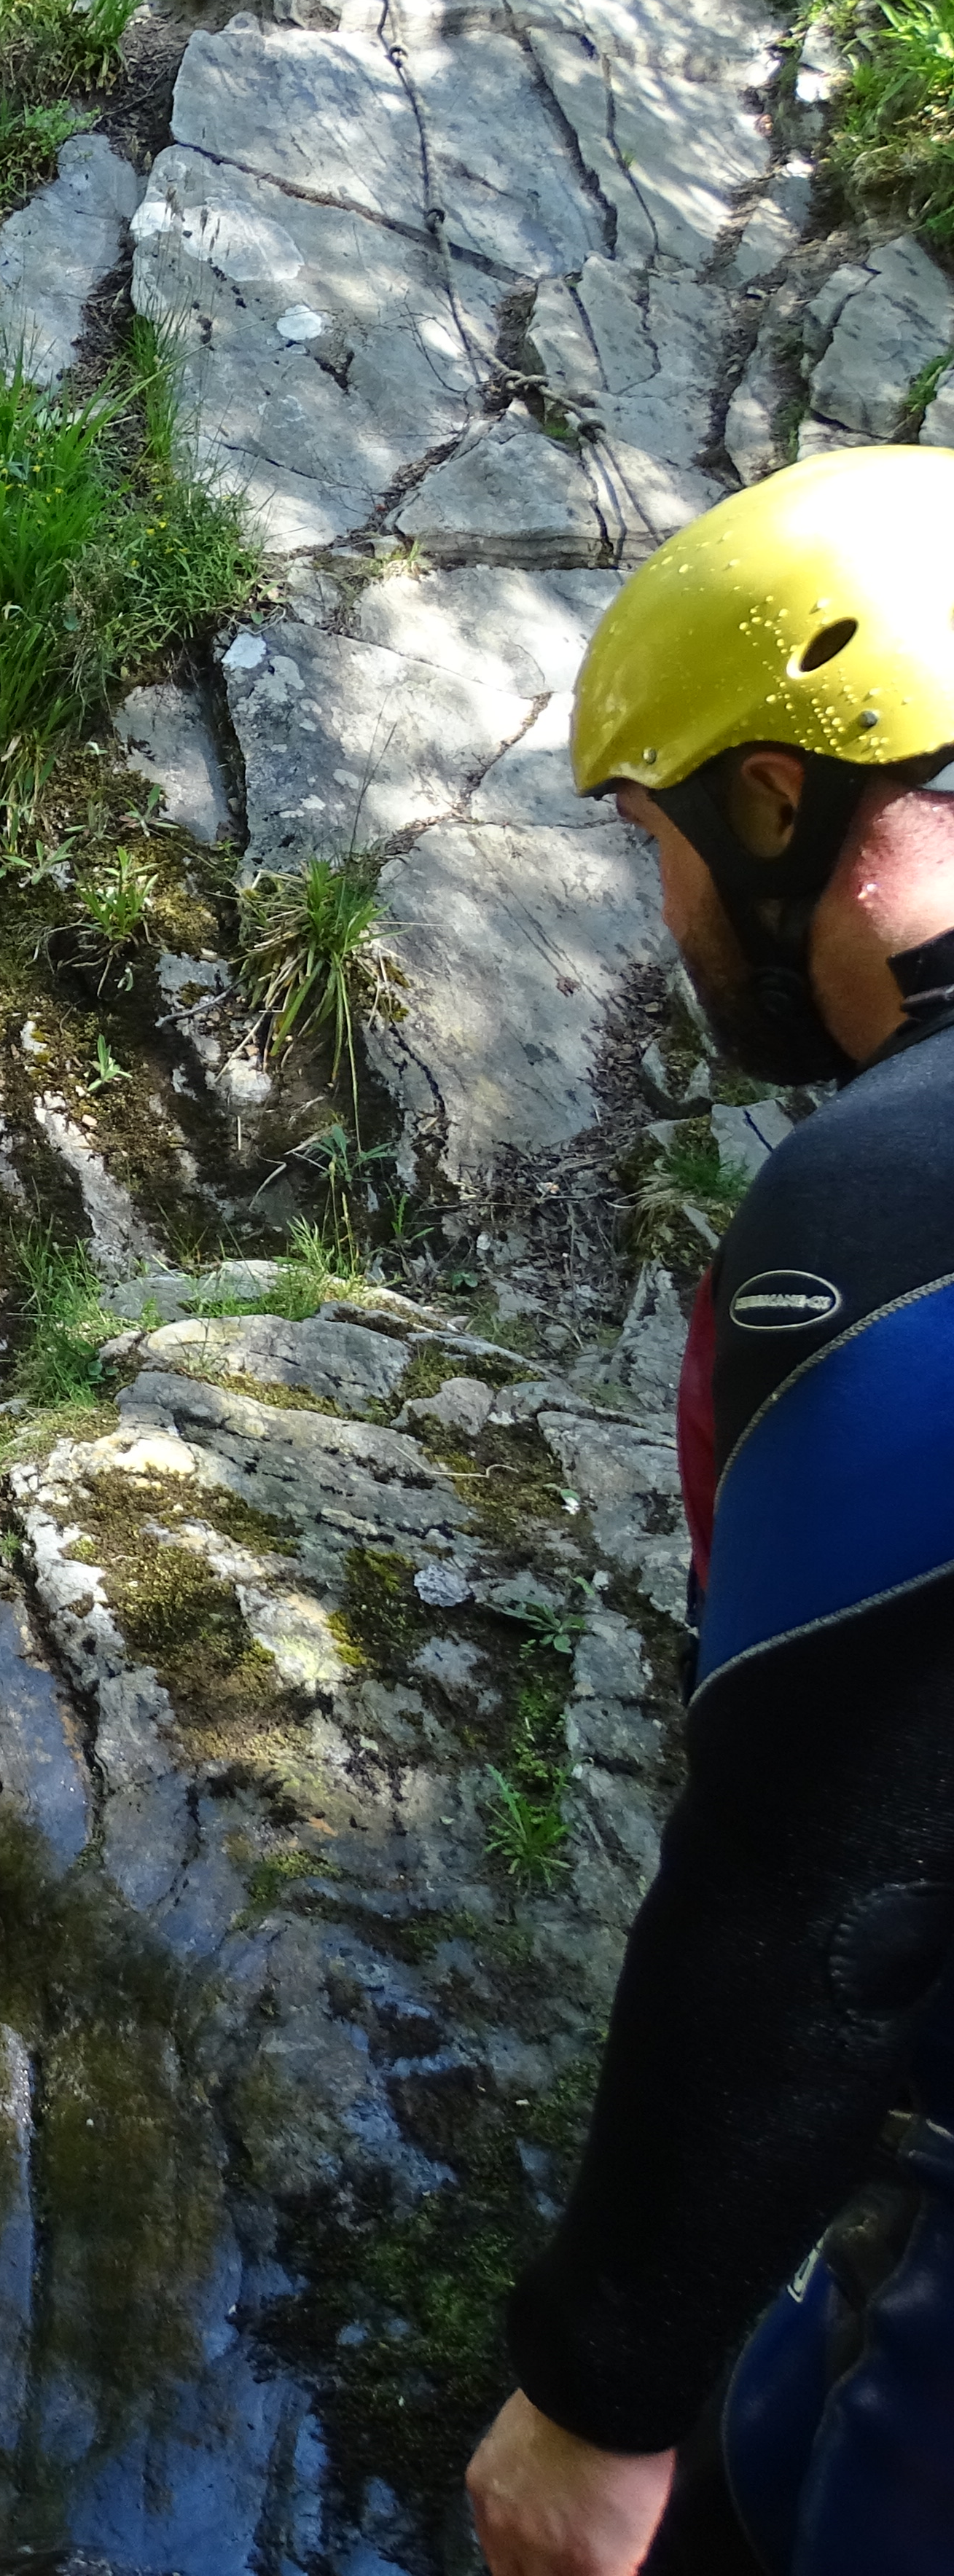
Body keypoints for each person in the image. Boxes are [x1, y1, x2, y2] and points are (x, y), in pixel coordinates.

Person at [465, 443, 954, 2576]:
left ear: (786, 804)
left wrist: (598, 2390)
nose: (667, 917)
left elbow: (815, 1886)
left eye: (657, 837)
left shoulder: (886, 1208)